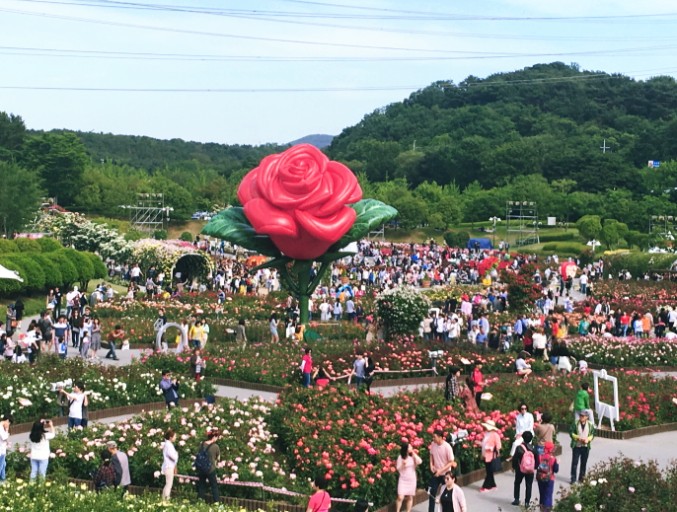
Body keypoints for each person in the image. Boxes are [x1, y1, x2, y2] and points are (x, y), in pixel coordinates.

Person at [427, 429, 456, 512]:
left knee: (446, 495)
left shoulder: (447, 447)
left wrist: (441, 470)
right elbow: (431, 455)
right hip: (436, 473)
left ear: (440, 437)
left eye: (434, 437)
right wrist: (431, 465)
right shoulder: (433, 444)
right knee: (432, 492)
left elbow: (451, 462)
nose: (433, 439)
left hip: (445, 475)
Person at [511, 431, 537, 507]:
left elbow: (515, 459)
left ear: (523, 438)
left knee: (517, 483)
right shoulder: (533, 448)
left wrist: (514, 467)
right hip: (530, 470)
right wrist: (534, 467)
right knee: (529, 485)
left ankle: (516, 499)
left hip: (520, 469)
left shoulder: (519, 448)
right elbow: (536, 459)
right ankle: (527, 502)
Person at [395, 441, 422, 512]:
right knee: (400, 497)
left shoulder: (412, 457)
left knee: (410, 497)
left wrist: (413, 453)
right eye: (409, 447)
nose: (411, 448)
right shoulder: (400, 457)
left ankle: (408, 511)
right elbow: (398, 468)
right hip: (403, 479)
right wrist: (403, 465)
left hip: (411, 479)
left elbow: (419, 461)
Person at [569, 410, 595, 484]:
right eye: (580, 416)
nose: (581, 417)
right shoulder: (575, 423)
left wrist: (588, 439)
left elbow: (593, 434)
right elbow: (571, 432)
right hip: (577, 446)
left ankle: (582, 478)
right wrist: (577, 437)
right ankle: (573, 478)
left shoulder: (590, 424)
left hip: (585, 446)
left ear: (587, 417)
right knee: (574, 463)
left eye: (583, 416)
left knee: (584, 463)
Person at [197, 428, 221, 503]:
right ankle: (217, 503)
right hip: (210, 469)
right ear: (214, 437)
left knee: (201, 486)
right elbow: (218, 458)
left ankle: (200, 502)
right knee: (214, 487)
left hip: (201, 468)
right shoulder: (216, 446)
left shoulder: (201, 444)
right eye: (217, 437)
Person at [536, 441, 559, 512]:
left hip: (540, 477)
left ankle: (541, 508)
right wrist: (557, 463)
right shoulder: (553, 458)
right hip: (549, 478)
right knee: (548, 494)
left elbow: (536, 466)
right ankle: (547, 509)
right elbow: (555, 470)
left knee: (542, 493)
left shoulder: (540, 456)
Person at [480, 419, 502, 492]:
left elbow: (498, 445)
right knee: (489, 471)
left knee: (489, 471)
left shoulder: (495, 435)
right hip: (485, 455)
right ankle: (493, 485)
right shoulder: (486, 434)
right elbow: (484, 444)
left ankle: (486, 486)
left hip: (491, 455)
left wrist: (489, 448)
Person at [162, 428, 179, 502]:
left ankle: (164, 499)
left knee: (168, 484)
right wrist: (176, 454)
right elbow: (172, 456)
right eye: (175, 436)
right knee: (169, 484)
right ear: (170, 437)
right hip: (168, 467)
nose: (175, 438)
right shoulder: (168, 445)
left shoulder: (168, 444)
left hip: (169, 466)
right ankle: (166, 499)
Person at [0, 414, 11, 485]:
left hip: (2, 449)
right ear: (7, 421)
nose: (9, 424)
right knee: (1, 465)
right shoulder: (0, 427)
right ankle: (2, 480)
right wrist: (7, 430)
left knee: (3, 464)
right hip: (0, 450)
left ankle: (3, 479)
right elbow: (4, 437)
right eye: (9, 423)